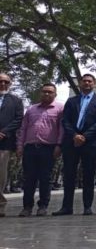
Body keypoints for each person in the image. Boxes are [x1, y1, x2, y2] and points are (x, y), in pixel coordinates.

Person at [54, 74, 96, 216]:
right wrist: (75, 135)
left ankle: (87, 206)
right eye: (84, 81)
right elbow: (65, 120)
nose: (87, 83)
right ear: (80, 83)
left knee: (88, 175)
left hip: (90, 143)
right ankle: (66, 207)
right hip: (71, 142)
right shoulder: (72, 101)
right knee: (69, 174)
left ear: (94, 84)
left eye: (90, 81)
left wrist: (85, 136)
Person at [16, 83, 63, 216]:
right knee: (28, 178)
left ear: (55, 94)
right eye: (44, 92)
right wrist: (20, 146)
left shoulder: (60, 109)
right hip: (30, 148)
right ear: (40, 93)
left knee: (45, 178)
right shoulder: (31, 109)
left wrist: (59, 145)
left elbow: (62, 129)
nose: (47, 94)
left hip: (48, 149)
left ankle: (43, 206)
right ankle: (27, 207)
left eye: (50, 92)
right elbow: (23, 128)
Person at [0, 73, 23, 218]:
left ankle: (0, 206)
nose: (3, 84)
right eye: (0, 81)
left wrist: (4, 132)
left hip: (4, 143)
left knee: (0, 176)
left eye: (6, 82)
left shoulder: (16, 101)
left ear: (10, 84)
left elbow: (18, 119)